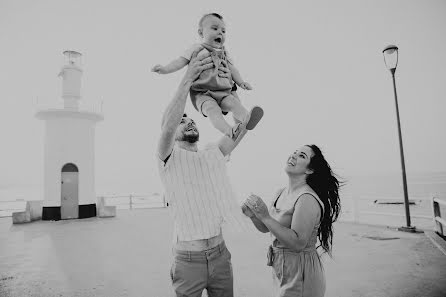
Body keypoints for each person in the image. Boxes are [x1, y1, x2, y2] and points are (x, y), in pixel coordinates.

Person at [157, 47, 252, 297]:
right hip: (188, 261)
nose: (188, 121)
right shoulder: (167, 158)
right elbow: (167, 126)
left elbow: (240, 130)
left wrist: (231, 94)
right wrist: (188, 78)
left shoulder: (212, 153)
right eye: (182, 121)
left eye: (191, 119)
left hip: (221, 255)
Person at [242, 145, 341, 297]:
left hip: (301, 273)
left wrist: (265, 215)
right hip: (283, 269)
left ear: (309, 170)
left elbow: (298, 243)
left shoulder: (306, 198)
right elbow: (267, 228)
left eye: (301, 156)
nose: (293, 156)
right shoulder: (280, 192)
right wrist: (254, 215)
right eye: (294, 152)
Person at [152, 13, 263, 141]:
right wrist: (165, 69)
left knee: (234, 103)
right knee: (212, 110)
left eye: (223, 31)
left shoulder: (225, 52)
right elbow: (180, 62)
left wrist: (241, 82)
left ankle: (246, 119)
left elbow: (233, 69)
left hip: (223, 92)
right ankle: (228, 131)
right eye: (214, 29)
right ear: (201, 33)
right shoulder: (196, 49)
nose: (220, 33)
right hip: (202, 94)